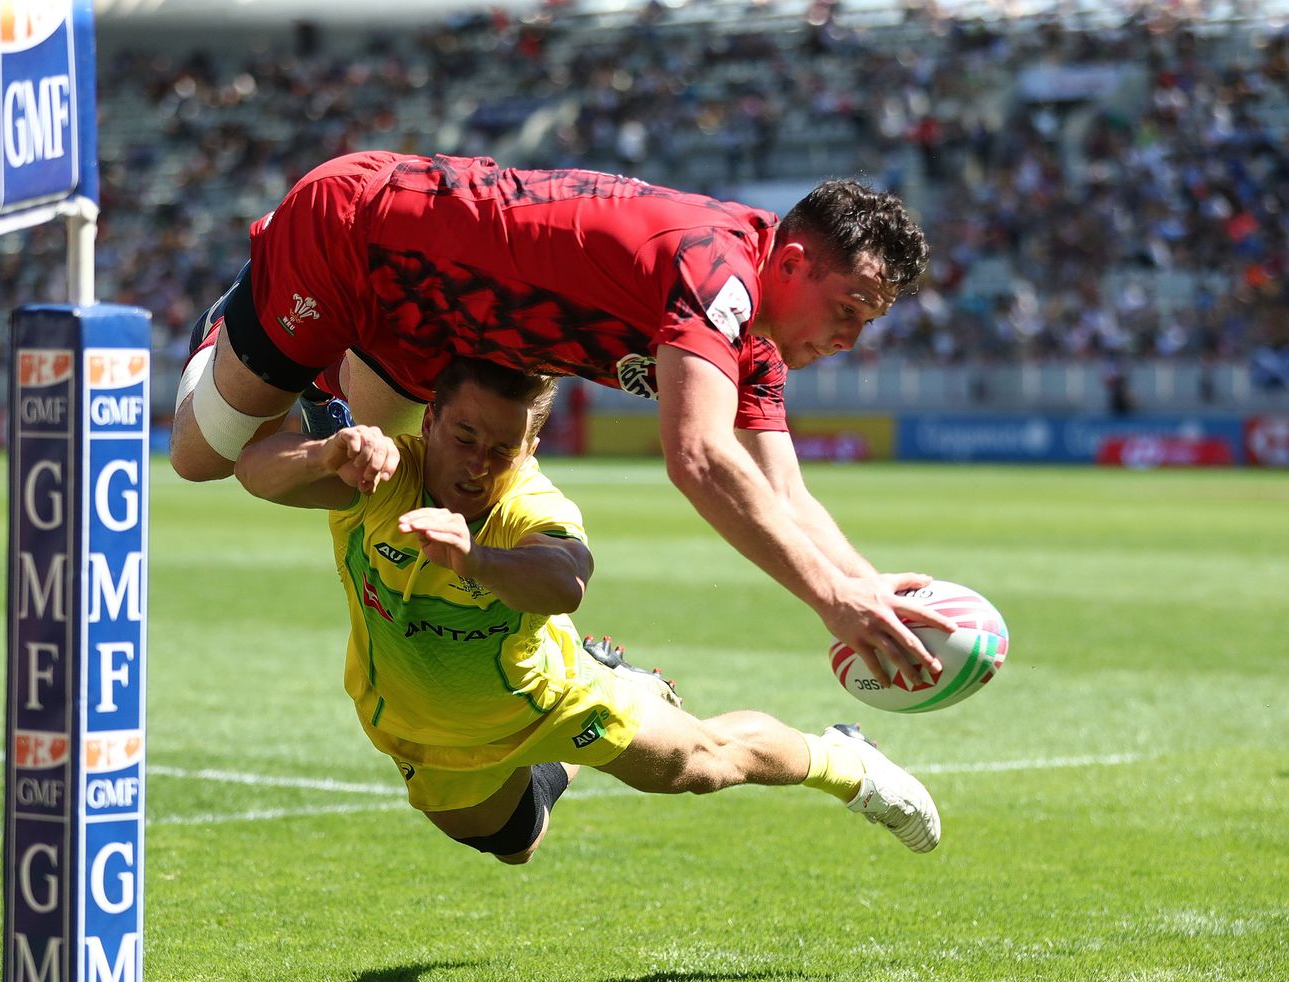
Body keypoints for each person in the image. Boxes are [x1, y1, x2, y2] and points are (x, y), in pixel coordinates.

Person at [173, 151, 954, 689]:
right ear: (790, 264)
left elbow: (783, 492)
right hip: (351, 232)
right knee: (201, 459)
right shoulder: (717, 274)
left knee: (394, 502)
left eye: (869, 320)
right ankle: (234, 323)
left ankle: (312, 374)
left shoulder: (756, 340)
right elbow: (701, 458)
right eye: (848, 308)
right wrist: (830, 601)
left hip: (430, 323)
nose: (851, 338)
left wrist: (864, 583)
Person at [235, 356, 941, 862]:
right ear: (433, 420)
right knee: (513, 843)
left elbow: (564, 579)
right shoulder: (381, 473)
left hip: (551, 696)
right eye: (464, 438)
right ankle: (620, 688)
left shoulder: (529, 503)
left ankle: (844, 762)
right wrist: (325, 453)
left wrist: (476, 560)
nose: (478, 464)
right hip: (427, 732)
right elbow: (251, 471)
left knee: (701, 764)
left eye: (503, 449)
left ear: (531, 448)